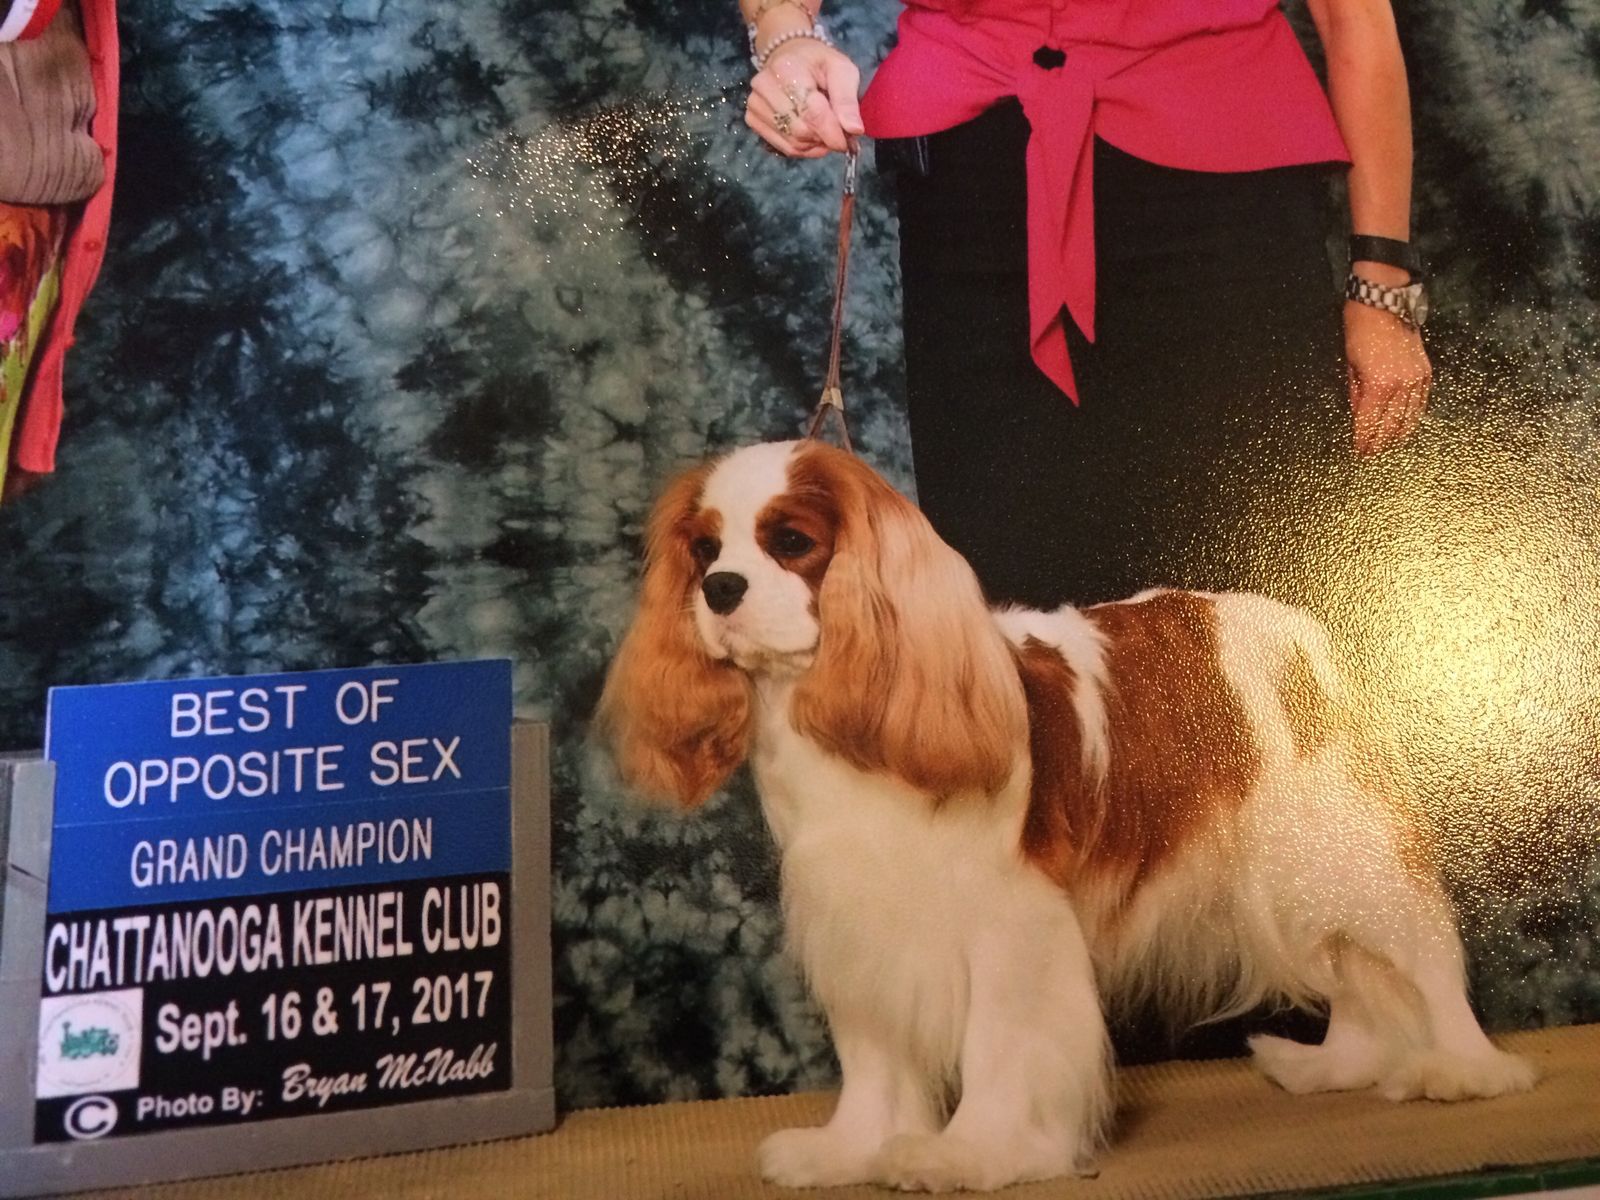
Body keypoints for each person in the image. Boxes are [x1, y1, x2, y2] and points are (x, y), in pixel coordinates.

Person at [737, 0, 1433, 612]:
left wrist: (1381, 286)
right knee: (1014, 609)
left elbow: (1354, 16)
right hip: (973, 198)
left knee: (1260, 600)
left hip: (1225, 185)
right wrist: (783, 35)